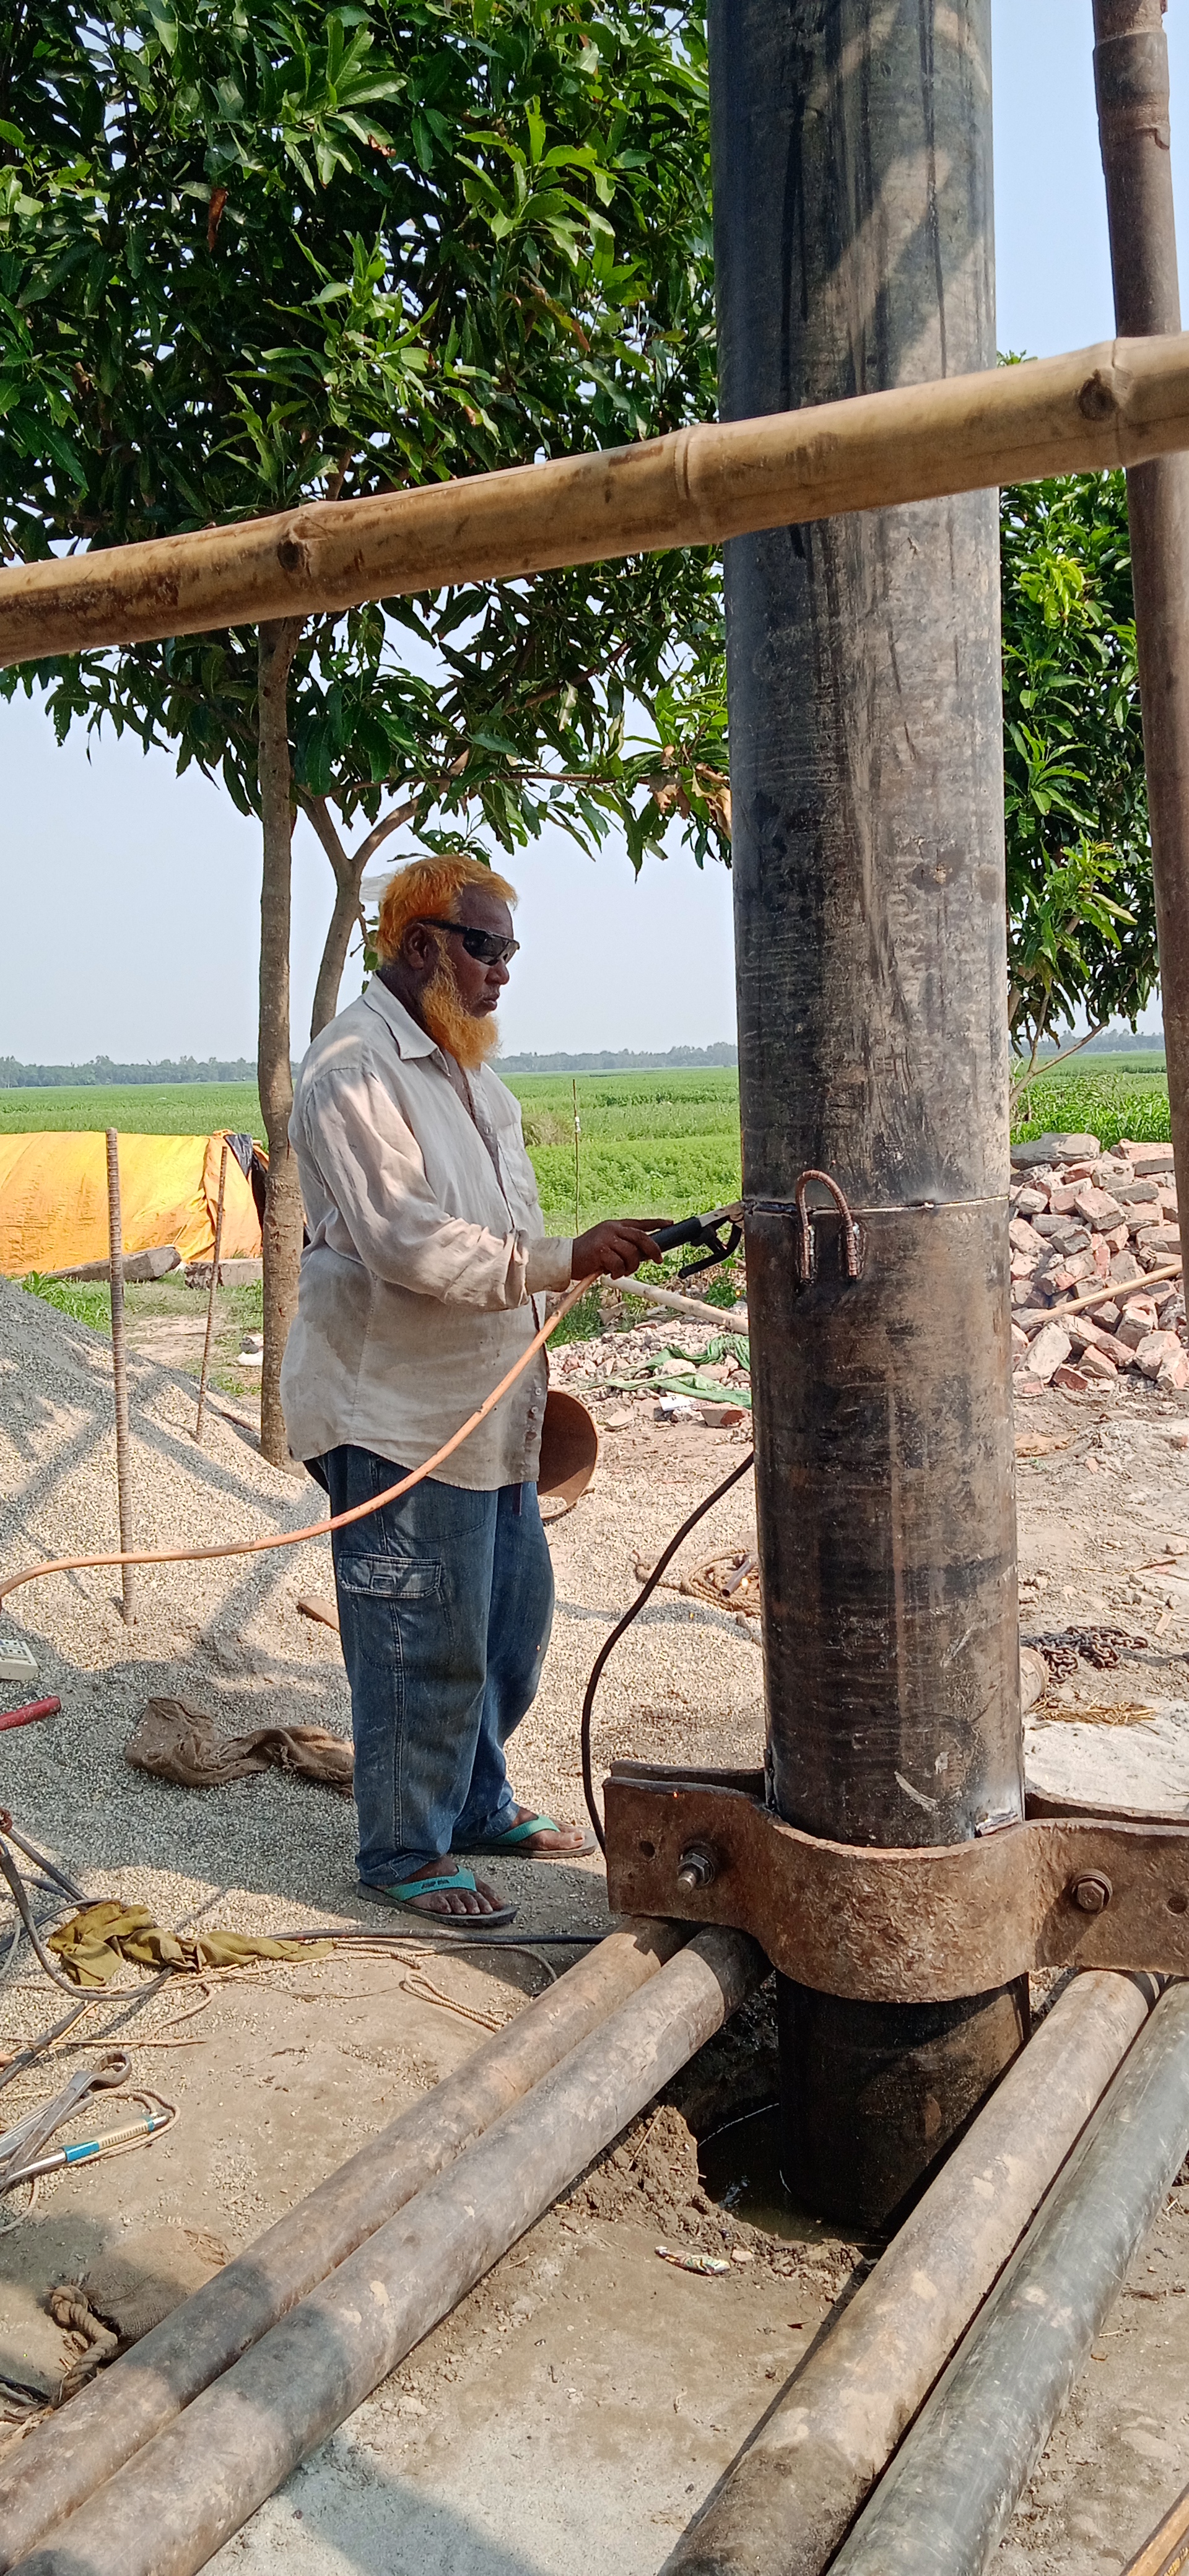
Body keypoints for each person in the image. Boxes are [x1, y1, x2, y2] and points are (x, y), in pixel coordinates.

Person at [282, 853, 667, 1926]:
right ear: (420, 947)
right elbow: (407, 1240)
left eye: (510, 951)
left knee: (507, 1628)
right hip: (396, 1417)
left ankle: (478, 1802)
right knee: (419, 1643)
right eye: (484, 947)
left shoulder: (473, 1078)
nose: (503, 970)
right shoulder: (353, 1070)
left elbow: (499, 1231)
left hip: (485, 1414)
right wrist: (561, 1258)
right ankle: (405, 1850)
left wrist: (568, 1265)